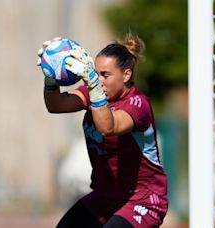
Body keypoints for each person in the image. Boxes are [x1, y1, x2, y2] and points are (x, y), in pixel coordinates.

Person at [37, 34, 168, 227]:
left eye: (105, 75)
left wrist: (93, 84)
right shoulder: (93, 92)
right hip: (105, 196)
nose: (99, 80)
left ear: (126, 75)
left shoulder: (138, 104)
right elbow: (56, 105)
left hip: (142, 199)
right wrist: (51, 77)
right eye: (95, 73)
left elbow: (109, 127)